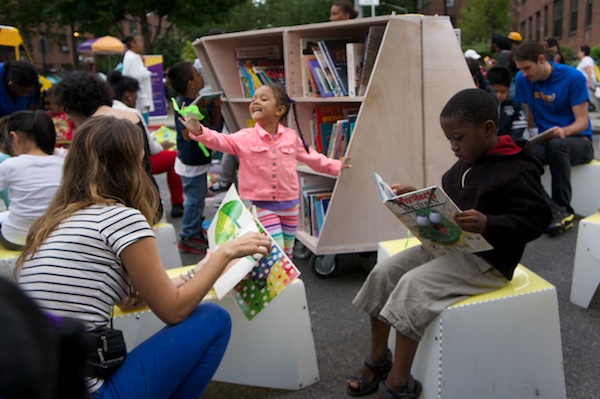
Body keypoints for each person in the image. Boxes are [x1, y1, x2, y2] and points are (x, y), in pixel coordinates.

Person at [17, 115, 272, 399]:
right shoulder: (121, 218)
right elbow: (173, 311)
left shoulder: (54, 221)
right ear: (130, 167)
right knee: (214, 319)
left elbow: (129, 301)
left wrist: (200, 269)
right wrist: (226, 252)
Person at [346, 88, 551, 398]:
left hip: (490, 261)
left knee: (412, 287)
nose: (454, 147)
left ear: (487, 129)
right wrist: (418, 199)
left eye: (459, 138)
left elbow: (536, 220)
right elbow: (452, 208)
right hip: (454, 247)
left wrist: (490, 223)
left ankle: (399, 383)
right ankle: (379, 358)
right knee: (383, 273)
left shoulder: (517, 169)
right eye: (449, 140)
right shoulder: (464, 165)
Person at [180, 83, 351, 258]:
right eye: (253, 99)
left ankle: (282, 284)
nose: (255, 102)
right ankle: (268, 280)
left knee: (287, 253)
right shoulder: (245, 137)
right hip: (260, 205)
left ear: (279, 110)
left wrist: (335, 165)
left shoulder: (291, 137)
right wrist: (199, 130)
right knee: (273, 250)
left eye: (263, 98)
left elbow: (312, 157)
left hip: (290, 205)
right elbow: (220, 140)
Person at [56, 71, 163, 221]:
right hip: (150, 199)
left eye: (67, 110)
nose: (67, 117)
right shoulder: (133, 116)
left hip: (121, 210)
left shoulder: (91, 129)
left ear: (76, 103)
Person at [514, 41, 594, 236]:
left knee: (557, 145)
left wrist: (564, 131)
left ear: (541, 60)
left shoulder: (572, 77)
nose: (524, 74)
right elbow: (529, 117)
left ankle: (563, 208)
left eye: (527, 68)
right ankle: (551, 209)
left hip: (579, 141)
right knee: (519, 157)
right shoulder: (522, 79)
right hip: (547, 140)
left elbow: (582, 122)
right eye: (520, 69)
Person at [108, 70, 184, 218]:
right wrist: (164, 146)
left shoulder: (104, 110)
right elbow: (150, 148)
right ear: (128, 95)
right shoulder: (132, 113)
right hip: (137, 164)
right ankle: (177, 203)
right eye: (136, 94)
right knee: (174, 157)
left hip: (113, 163)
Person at [167, 61, 216, 254]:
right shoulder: (184, 106)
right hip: (191, 163)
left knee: (198, 198)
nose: (200, 75)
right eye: (197, 73)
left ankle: (194, 230)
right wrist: (192, 121)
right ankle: (188, 235)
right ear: (191, 84)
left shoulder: (197, 101)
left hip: (197, 161)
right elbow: (187, 135)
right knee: (195, 200)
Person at [0, 110, 63, 250]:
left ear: (14, 137)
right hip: (51, 238)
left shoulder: (10, 165)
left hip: (14, 239)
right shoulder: (63, 164)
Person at [486, 66, 527, 140]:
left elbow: (519, 126)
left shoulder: (514, 105)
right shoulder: (484, 105)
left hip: (508, 144)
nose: (499, 95)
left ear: (508, 89)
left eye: (503, 91)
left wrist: (509, 141)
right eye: (495, 91)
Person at [122, 34, 153, 125]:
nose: (142, 44)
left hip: (140, 100)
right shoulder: (132, 58)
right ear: (132, 44)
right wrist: (144, 101)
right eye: (140, 41)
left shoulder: (134, 57)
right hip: (139, 102)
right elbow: (136, 81)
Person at [576, 45, 600, 114]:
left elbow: (588, 70)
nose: (578, 54)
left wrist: (589, 83)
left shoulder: (586, 59)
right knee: (594, 99)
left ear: (583, 52)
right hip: (586, 83)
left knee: (594, 99)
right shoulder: (587, 59)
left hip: (588, 83)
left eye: (579, 52)